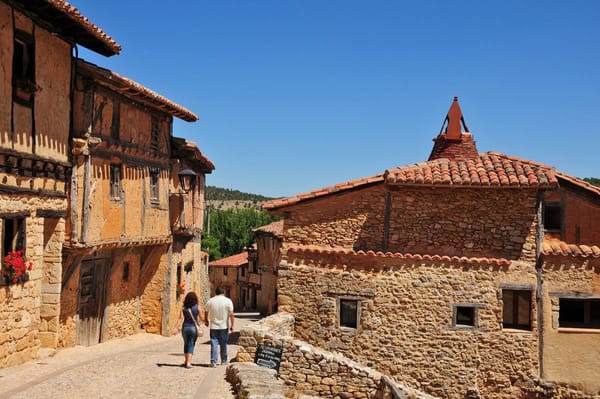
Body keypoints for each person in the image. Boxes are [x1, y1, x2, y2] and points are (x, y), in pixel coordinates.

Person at [204, 285, 234, 367]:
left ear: (215, 292)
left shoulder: (211, 301)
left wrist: (206, 320)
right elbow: (231, 314)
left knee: (214, 343)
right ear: (224, 292)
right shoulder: (228, 301)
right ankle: (224, 360)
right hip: (224, 326)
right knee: (223, 343)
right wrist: (232, 325)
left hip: (213, 326)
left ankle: (213, 361)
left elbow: (206, 311)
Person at [174, 291, 203, 369]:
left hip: (185, 328)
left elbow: (180, 318)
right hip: (193, 328)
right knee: (191, 344)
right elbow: (202, 318)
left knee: (186, 343)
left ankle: (186, 360)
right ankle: (188, 363)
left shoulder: (183, 307)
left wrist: (176, 327)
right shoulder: (197, 307)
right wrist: (205, 321)